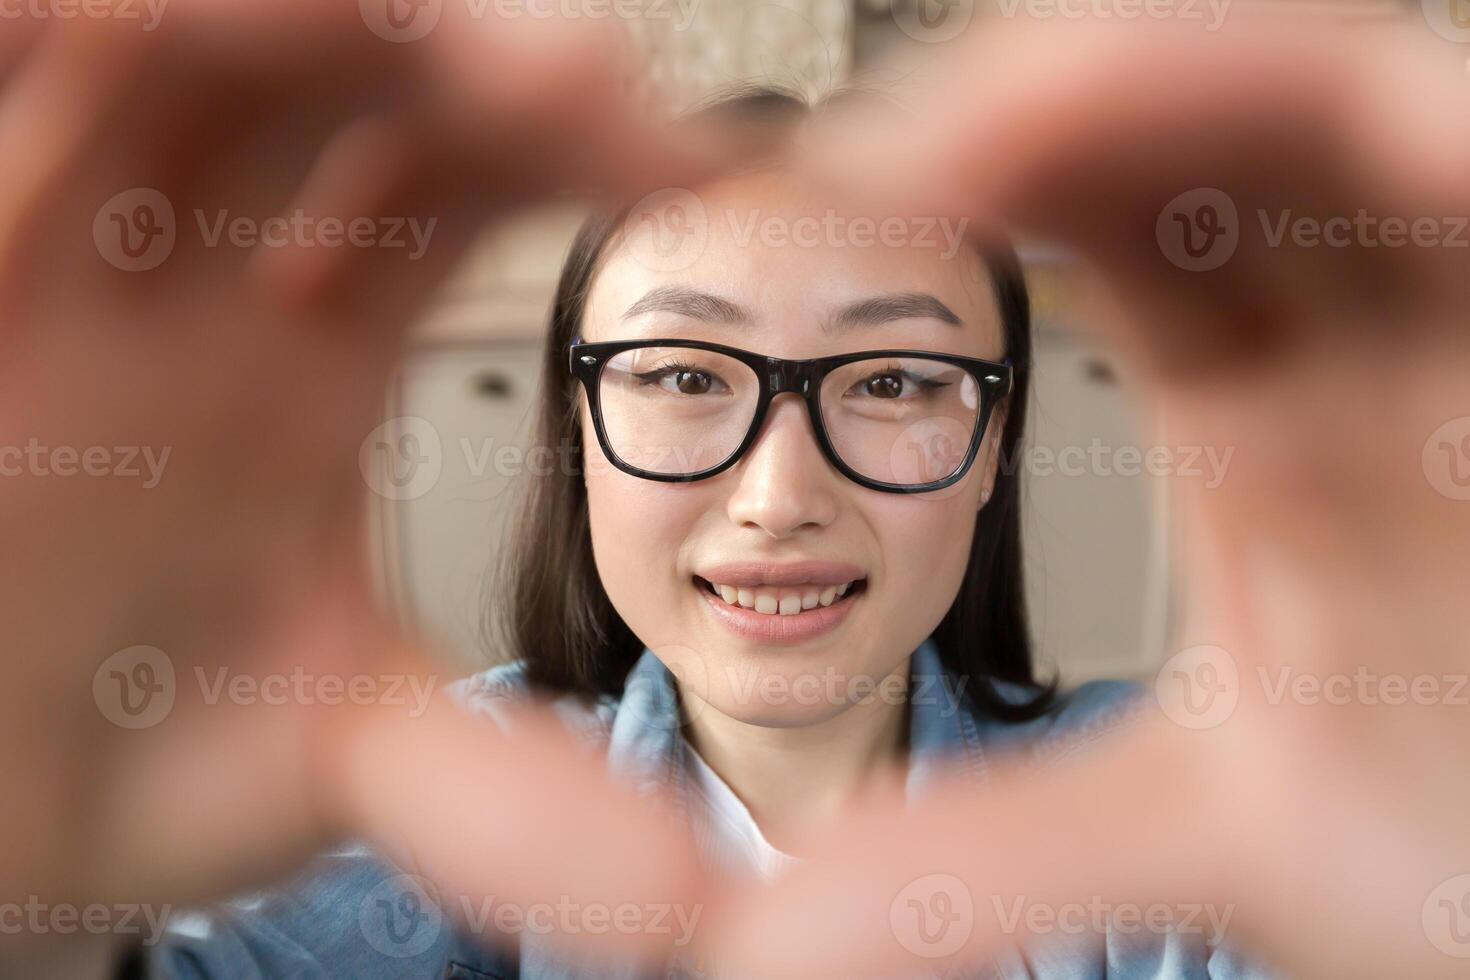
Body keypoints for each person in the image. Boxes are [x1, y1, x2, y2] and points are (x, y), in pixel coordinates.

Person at [5, 6, 1468, 980]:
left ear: (995, 451)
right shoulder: (403, 826)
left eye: (891, 383)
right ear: (576, 431)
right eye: (683, 375)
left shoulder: (1212, 812)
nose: (778, 496)